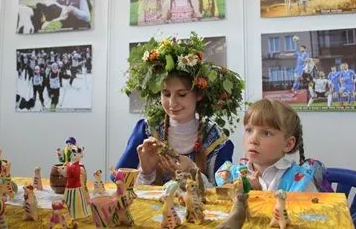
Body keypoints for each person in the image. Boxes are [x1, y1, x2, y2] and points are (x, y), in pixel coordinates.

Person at [116, 32, 245, 186]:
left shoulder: (215, 140)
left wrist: (193, 172)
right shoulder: (146, 131)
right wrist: (146, 172)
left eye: (182, 94)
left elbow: (225, 194)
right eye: (166, 94)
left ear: (198, 94)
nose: (172, 103)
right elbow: (119, 184)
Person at [232, 98, 332, 192]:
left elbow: (310, 210)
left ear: (288, 144)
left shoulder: (301, 182)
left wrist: (259, 194)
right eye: (249, 130)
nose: (253, 139)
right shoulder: (232, 176)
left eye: (266, 133)